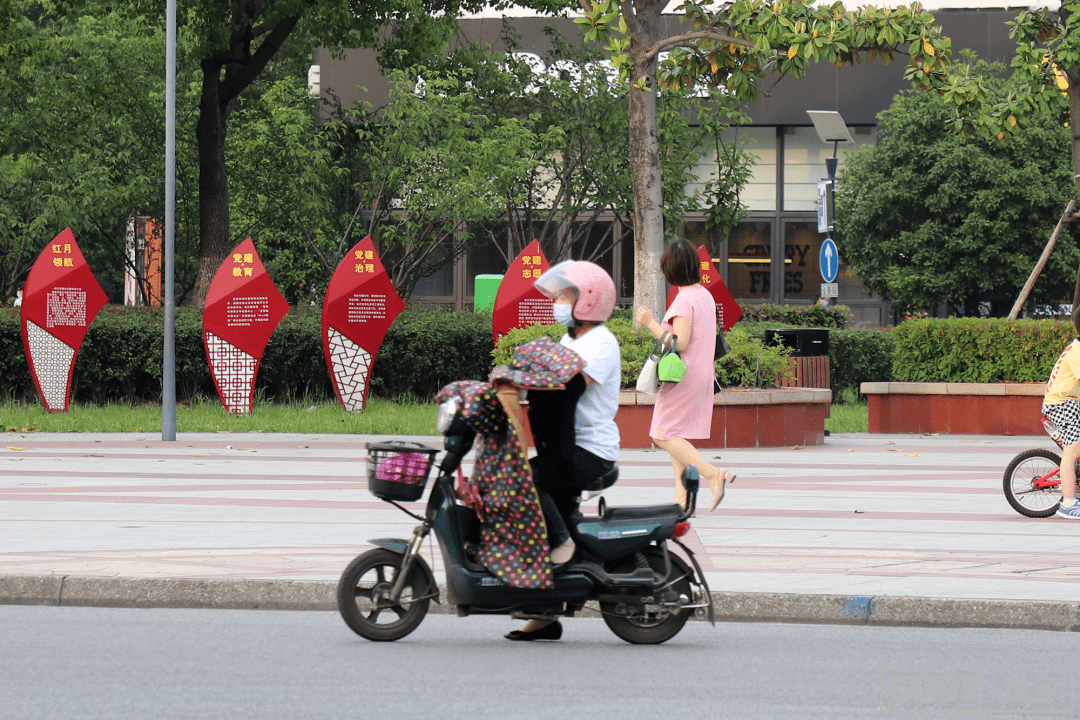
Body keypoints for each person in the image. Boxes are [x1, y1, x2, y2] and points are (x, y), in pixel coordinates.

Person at [506, 259, 621, 641]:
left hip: (591, 449)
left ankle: (564, 542)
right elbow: (545, 380)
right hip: (566, 444)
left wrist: (522, 377)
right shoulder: (571, 339)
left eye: (563, 295)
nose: (556, 301)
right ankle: (544, 614)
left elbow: (565, 386)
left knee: (529, 480)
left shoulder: (601, 343)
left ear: (588, 300)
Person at [636, 239, 735, 512]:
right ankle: (681, 498)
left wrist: (650, 323)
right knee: (675, 433)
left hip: (683, 376)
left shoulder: (685, 299)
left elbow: (679, 343)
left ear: (669, 271)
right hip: (702, 374)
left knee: (662, 434)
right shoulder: (705, 295)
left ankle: (712, 473)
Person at [1043, 306, 1080, 519]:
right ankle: (1068, 503)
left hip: (1072, 402)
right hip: (1062, 404)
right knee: (1072, 450)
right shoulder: (1077, 352)